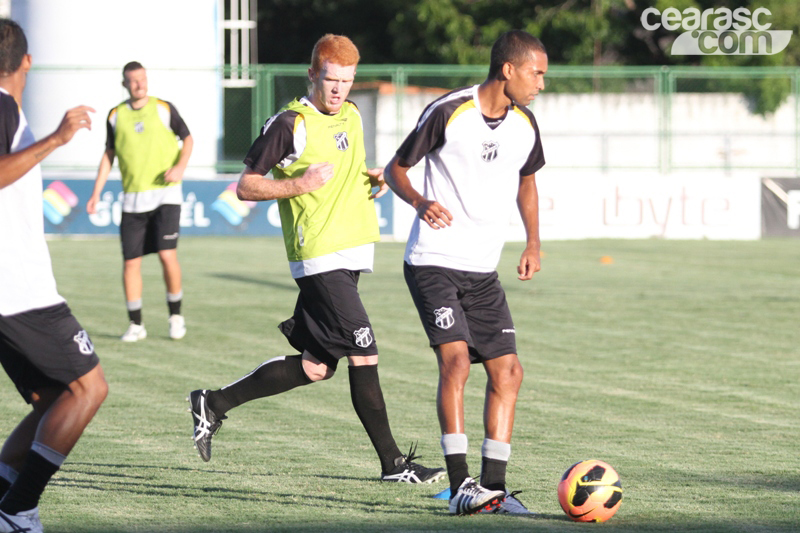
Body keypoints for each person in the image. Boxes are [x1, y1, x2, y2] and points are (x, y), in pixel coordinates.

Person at [187, 34, 444, 485]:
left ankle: (213, 403)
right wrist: (296, 186)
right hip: (319, 256)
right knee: (365, 352)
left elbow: (343, 166)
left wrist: (373, 178)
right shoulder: (291, 123)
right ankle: (394, 465)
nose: (338, 89)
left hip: (352, 253)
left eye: (346, 80)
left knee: (316, 366)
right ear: (312, 74)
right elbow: (246, 185)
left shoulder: (352, 114)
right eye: (330, 80)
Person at [383, 30, 547, 515]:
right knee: (455, 363)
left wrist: (533, 242)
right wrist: (419, 201)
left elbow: (528, 184)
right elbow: (396, 168)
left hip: (482, 271)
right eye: (536, 72)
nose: (541, 82)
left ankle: (494, 488)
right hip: (433, 261)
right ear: (508, 70)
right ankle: (461, 488)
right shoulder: (448, 112)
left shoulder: (525, 125)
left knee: (509, 372)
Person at [0, 18, 109, 533]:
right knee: (89, 389)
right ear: (26, 62)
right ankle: (17, 508)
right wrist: (58, 138)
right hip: (18, 292)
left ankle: (4, 499)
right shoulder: (1, 105)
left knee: (52, 400)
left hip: (13, 291)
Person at [87, 61, 193, 342]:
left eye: (142, 78)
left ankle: (175, 316)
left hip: (166, 196)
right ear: (125, 84)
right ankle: (136, 324)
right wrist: (96, 192)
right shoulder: (114, 115)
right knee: (130, 263)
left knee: (167, 254)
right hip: (132, 200)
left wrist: (181, 167)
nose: (139, 84)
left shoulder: (164, 108)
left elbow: (188, 139)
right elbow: (109, 154)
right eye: (133, 80)